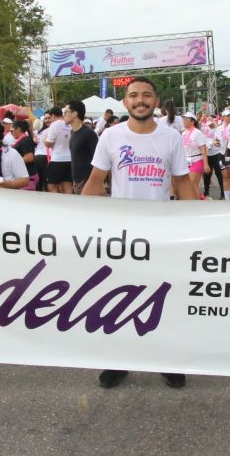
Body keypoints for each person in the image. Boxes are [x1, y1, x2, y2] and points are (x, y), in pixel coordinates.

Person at [82, 76, 197, 389]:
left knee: (164, 299)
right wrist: (77, 220)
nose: (140, 100)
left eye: (147, 95)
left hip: (162, 234)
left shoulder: (171, 138)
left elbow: (183, 182)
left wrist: (200, 222)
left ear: (156, 101)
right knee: (117, 299)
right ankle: (118, 361)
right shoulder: (110, 136)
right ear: (125, 102)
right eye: (134, 95)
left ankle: (168, 360)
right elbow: (96, 180)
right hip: (120, 236)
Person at [66, 100, 98, 195]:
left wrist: (91, 181)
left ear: (74, 113)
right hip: (76, 180)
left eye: (66, 112)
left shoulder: (88, 133)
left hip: (87, 180)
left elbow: (98, 159)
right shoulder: (73, 132)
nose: (64, 115)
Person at [44, 107, 73, 194]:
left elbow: (49, 143)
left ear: (53, 115)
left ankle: (56, 206)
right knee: (67, 186)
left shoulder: (55, 124)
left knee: (52, 186)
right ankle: (68, 206)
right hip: (69, 159)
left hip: (57, 159)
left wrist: (45, 140)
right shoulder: (69, 124)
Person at [181, 112, 209, 199]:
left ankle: (197, 205)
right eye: (184, 119)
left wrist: (206, 164)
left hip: (197, 160)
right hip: (186, 161)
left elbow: (203, 149)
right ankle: (202, 199)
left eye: (186, 120)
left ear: (192, 122)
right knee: (189, 185)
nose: (184, 121)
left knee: (192, 184)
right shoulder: (184, 133)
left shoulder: (198, 133)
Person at [9, 119, 37, 190]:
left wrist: (12, 162)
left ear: (18, 129)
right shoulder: (23, 140)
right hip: (25, 176)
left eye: (11, 130)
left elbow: (29, 157)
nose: (11, 133)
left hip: (29, 175)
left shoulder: (25, 140)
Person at [202, 115, 225, 198]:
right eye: (208, 123)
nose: (210, 125)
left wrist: (214, 123)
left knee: (219, 173)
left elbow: (220, 139)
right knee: (207, 174)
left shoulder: (218, 128)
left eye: (211, 123)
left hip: (217, 154)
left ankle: (223, 193)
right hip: (207, 154)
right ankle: (206, 192)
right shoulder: (204, 128)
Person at [33, 112, 52, 191]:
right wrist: (34, 141)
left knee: (45, 182)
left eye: (49, 118)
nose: (47, 120)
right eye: (45, 118)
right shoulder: (41, 131)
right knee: (41, 183)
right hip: (39, 157)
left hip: (47, 158)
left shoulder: (52, 129)